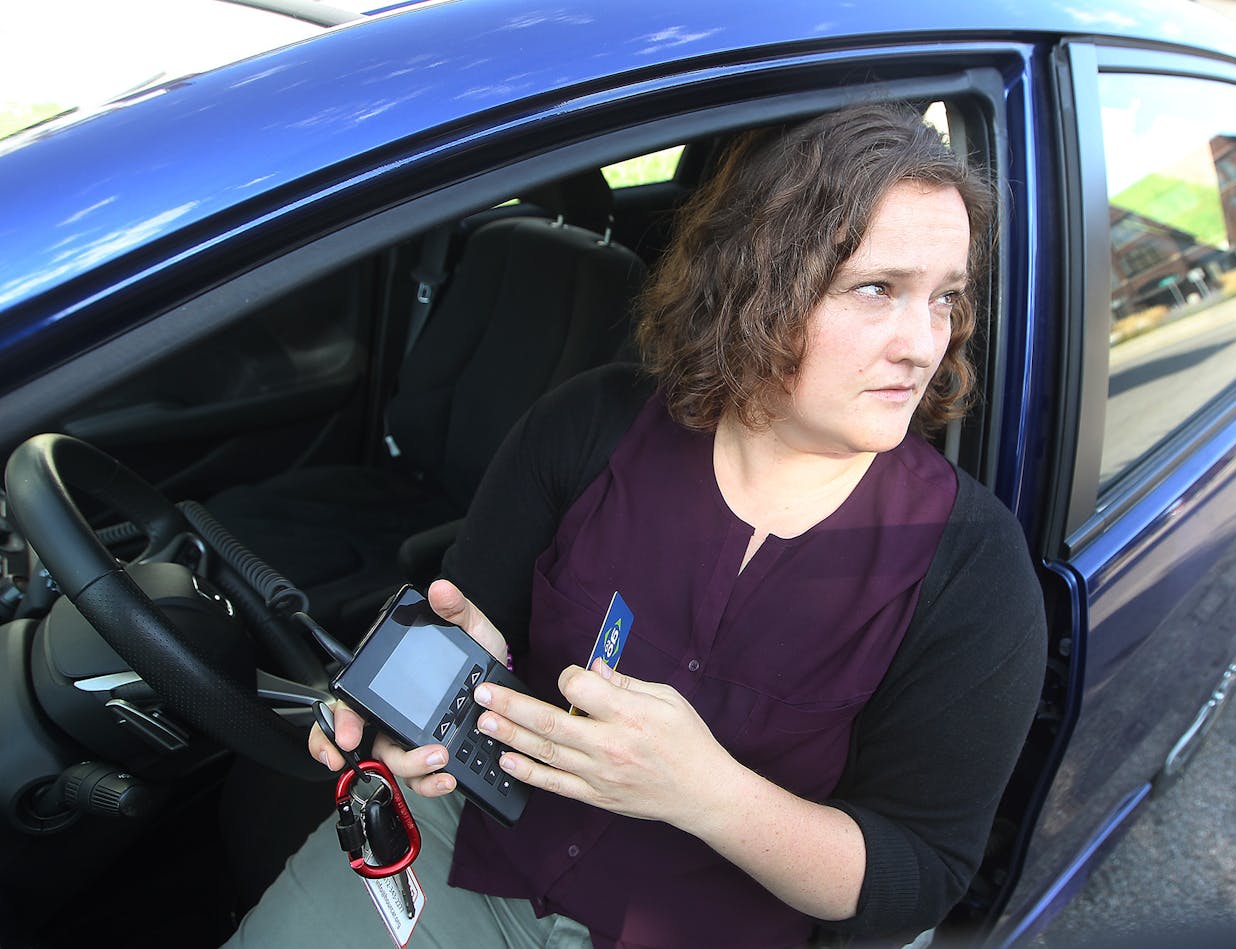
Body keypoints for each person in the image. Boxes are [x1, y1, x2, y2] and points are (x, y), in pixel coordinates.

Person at [230, 101, 1046, 949]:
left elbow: (918, 873)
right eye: (877, 289)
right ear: (758, 281)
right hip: (469, 849)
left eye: (945, 297)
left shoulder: (970, 567)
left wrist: (709, 793)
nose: (924, 343)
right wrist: (425, 707)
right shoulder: (589, 426)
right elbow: (472, 628)